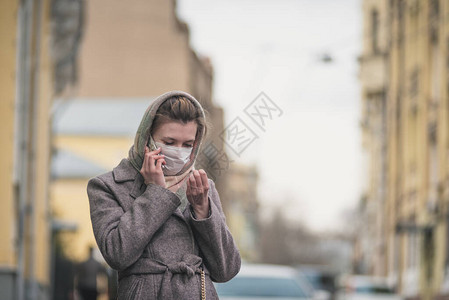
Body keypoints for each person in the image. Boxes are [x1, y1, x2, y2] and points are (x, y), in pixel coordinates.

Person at [87, 90, 241, 300]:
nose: (178, 151)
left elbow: (227, 270)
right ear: (147, 138)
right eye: (169, 142)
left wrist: (203, 210)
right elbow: (117, 255)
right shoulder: (108, 186)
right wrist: (155, 195)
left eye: (187, 145)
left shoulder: (201, 187)